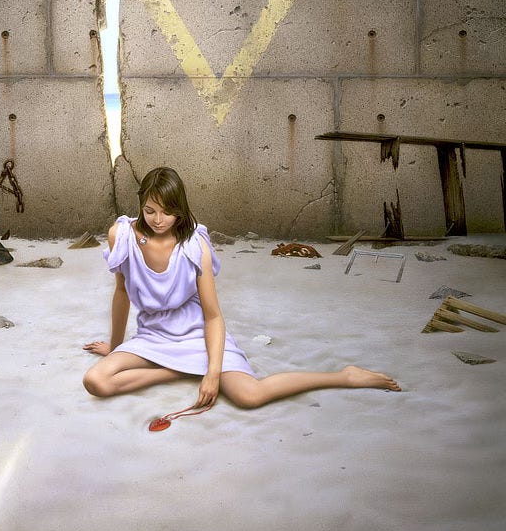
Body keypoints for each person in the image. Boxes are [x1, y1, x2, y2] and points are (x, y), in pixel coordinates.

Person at [83, 167, 400, 410]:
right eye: (150, 210)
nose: (158, 219)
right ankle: (178, 371)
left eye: (167, 211)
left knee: (250, 396)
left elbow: (213, 317)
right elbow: (122, 293)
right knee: (95, 381)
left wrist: (212, 371)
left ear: (180, 208)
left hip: (196, 332)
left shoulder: (194, 246)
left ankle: (344, 376)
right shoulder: (122, 235)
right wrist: (114, 345)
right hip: (153, 334)